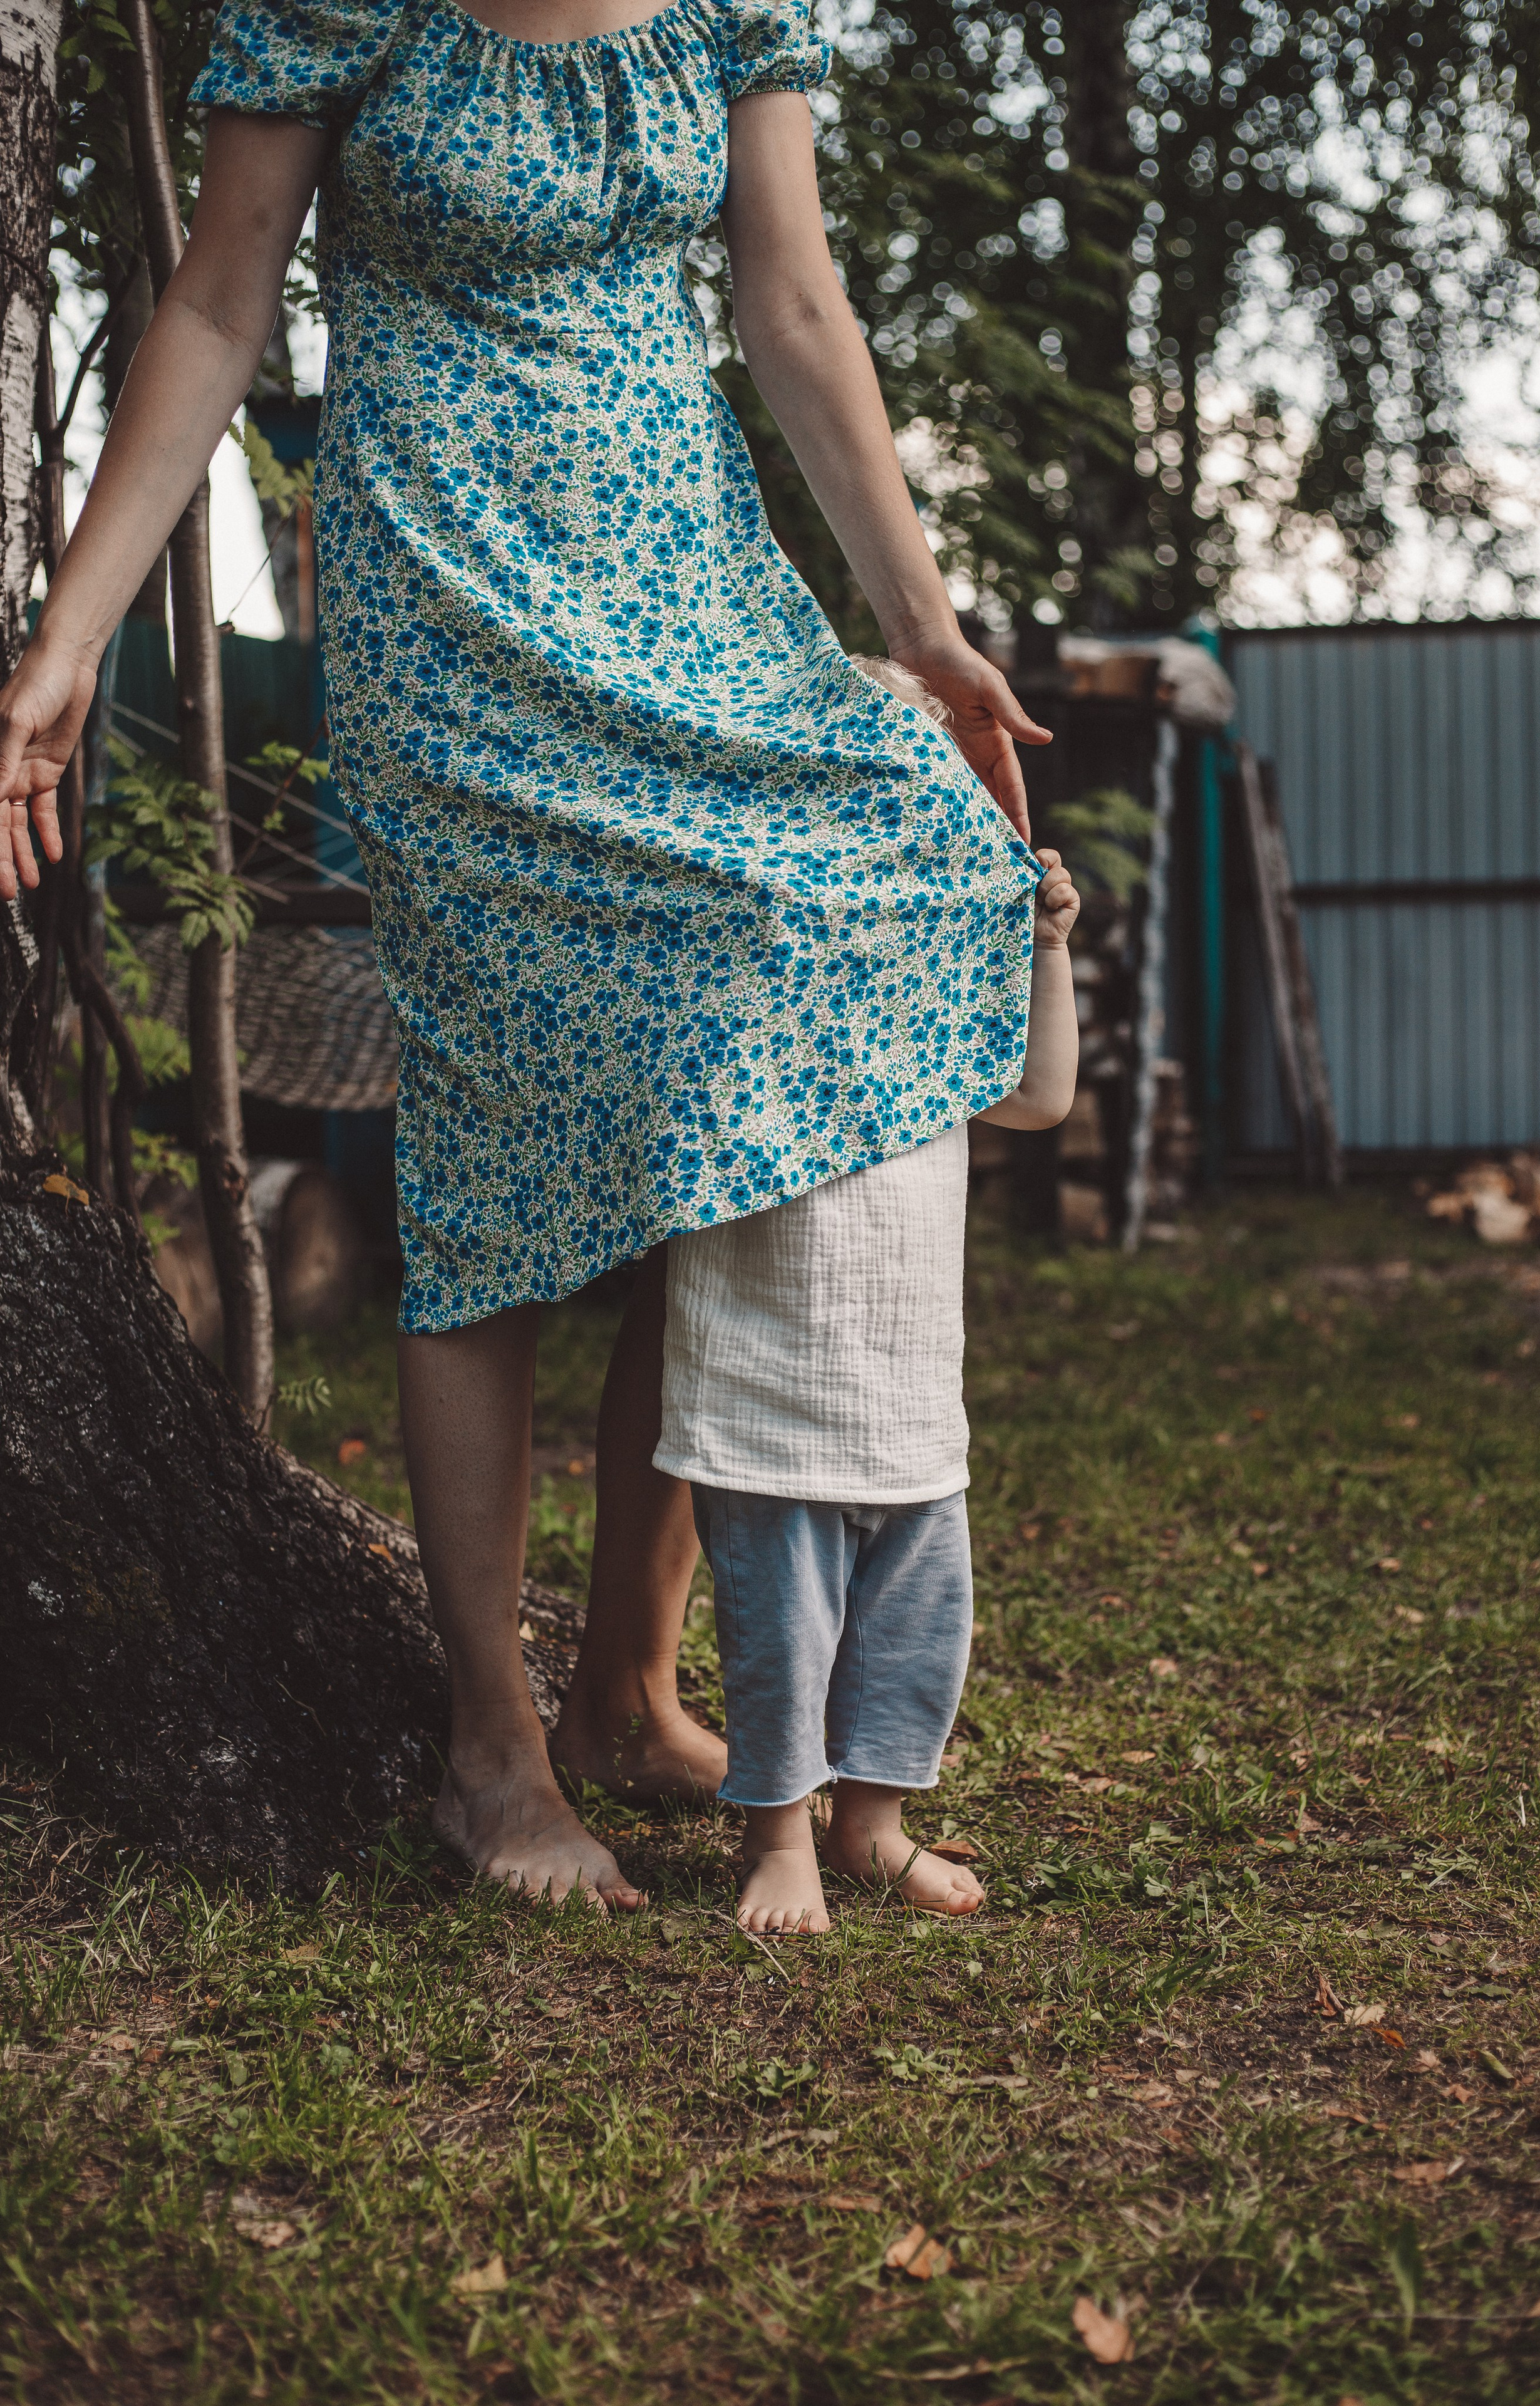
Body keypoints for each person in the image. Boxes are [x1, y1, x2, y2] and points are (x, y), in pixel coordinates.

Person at [0, 0, 1049, 1910]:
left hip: (697, 601)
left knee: (787, 1035)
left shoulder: (734, 3)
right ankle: (492, 1754)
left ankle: (631, 1688)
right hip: (452, 611)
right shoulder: (337, 7)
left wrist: (926, 622)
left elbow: (795, 311)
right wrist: (71, 638)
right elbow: (221, 309)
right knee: (490, 1163)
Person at [654, 663, 1080, 1933]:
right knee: (780, 1640)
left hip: (904, 1397)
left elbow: (1038, 1096)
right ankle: (776, 1839)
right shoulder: (743, 954)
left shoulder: (937, 986)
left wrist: (1042, 949)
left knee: (911, 1633)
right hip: (767, 1387)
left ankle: (869, 1824)